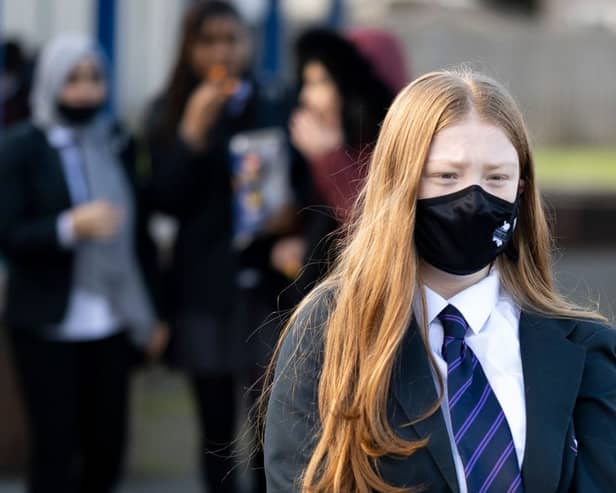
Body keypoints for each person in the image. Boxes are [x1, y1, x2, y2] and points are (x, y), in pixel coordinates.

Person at [263, 69, 616, 492]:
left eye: (497, 178)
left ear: (522, 189)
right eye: (447, 176)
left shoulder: (585, 348)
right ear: (401, 184)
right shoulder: (331, 330)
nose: (474, 198)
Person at [0, 34, 167, 493]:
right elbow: (9, 233)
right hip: (46, 320)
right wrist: (68, 227)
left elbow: (140, 236)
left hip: (112, 318)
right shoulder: (22, 146)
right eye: (72, 79)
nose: (85, 90)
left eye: (94, 78)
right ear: (50, 82)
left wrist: (152, 313)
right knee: (55, 448)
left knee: (106, 448)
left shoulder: (116, 141)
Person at [144, 2, 293, 491]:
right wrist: (190, 132)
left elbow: (304, 186)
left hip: (267, 288)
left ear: (248, 43)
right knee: (214, 432)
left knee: (270, 425)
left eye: (231, 39)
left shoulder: (276, 102)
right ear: (189, 48)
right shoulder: (165, 111)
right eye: (208, 41)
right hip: (203, 290)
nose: (222, 52)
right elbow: (163, 201)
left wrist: (291, 219)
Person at [271, 27, 401, 296]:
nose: (306, 97)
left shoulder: (396, 157)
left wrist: (329, 159)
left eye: (321, 82)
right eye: (306, 83)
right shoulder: (322, 150)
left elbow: (377, 235)